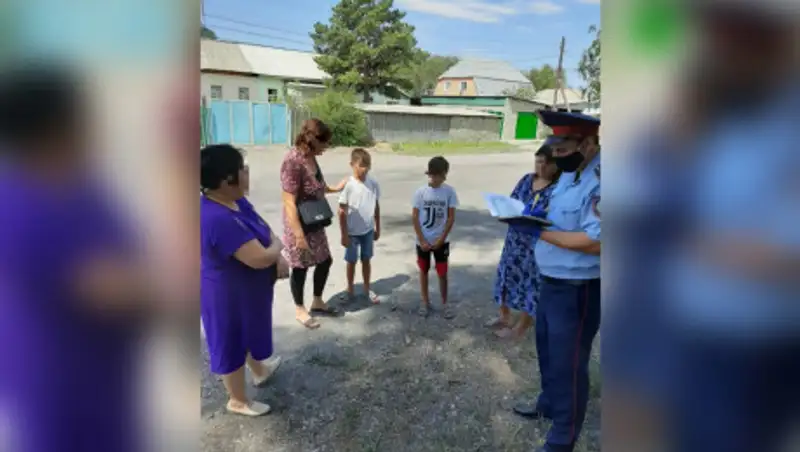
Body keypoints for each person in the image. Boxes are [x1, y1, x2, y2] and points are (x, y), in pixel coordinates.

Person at [512, 111, 601, 452]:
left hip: (579, 289)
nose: (557, 156)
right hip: (552, 280)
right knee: (547, 351)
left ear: (588, 144)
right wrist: (528, 216)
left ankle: (563, 438)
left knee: (570, 364)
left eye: (563, 149)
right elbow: (560, 215)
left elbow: (598, 242)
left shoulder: (603, 180)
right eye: (555, 149)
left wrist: (540, 232)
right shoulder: (570, 171)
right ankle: (548, 403)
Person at [201, 144, 287, 417]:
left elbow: (263, 227)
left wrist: (275, 251)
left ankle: (259, 371)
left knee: (247, 332)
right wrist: (278, 249)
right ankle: (237, 400)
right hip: (227, 295)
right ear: (228, 179)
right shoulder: (216, 217)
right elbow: (259, 257)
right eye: (243, 169)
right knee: (231, 342)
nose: (248, 173)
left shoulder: (235, 201)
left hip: (245, 290)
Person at [487, 146, 560, 340]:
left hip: (536, 244)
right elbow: (511, 201)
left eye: (547, 162)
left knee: (530, 284)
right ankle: (504, 316)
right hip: (514, 241)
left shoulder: (558, 188)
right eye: (538, 161)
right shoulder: (527, 179)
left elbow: (557, 217)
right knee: (505, 275)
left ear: (556, 165)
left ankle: (520, 328)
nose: (541, 166)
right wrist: (502, 212)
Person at [281, 118, 347, 329]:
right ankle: (300, 308)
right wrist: (298, 236)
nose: (326, 148)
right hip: (298, 223)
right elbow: (289, 201)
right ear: (312, 140)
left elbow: (317, 185)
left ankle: (317, 301)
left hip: (314, 220)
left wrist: (335, 189)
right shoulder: (293, 161)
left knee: (324, 261)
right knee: (300, 267)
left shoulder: (311, 158)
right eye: (324, 143)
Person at [411, 156, 459, 319]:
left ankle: (445, 303)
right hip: (423, 241)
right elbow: (415, 218)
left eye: (442, 175)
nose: (439, 178)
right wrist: (422, 240)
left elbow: (451, 217)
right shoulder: (420, 192)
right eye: (435, 175)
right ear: (430, 174)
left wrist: (441, 238)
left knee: (442, 273)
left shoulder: (449, 192)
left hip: (441, 241)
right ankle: (425, 301)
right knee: (423, 271)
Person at [338, 148, 382, 304]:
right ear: (352, 165)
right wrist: (344, 234)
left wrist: (377, 226)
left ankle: (366, 288)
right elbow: (341, 211)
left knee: (366, 259)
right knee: (351, 261)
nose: (364, 169)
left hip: (368, 231)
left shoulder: (373, 184)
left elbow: (376, 206)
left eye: (367, 166)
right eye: (361, 166)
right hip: (352, 233)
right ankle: (350, 289)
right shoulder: (349, 185)